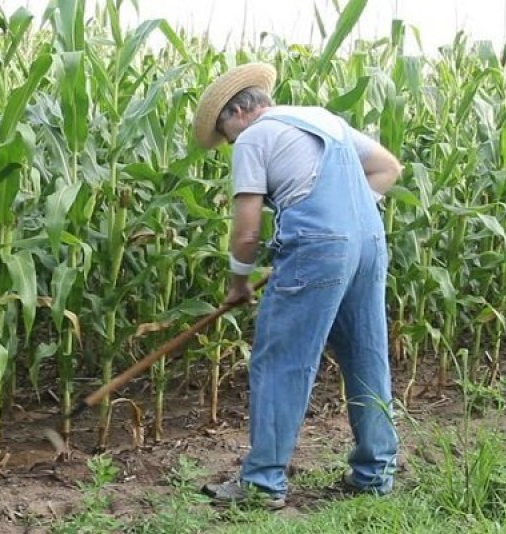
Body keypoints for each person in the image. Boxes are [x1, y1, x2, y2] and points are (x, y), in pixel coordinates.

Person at [193, 63, 402, 510]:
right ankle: (375, 474)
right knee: (366, 356)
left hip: (317, 248)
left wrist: (239, 281)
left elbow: (247, 231)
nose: (229, 144)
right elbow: (388, 168)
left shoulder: (254, 137)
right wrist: (342, 226)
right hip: (369, 243)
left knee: (282, 360)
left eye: (225, 134)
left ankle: (262, 484)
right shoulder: (323, 119)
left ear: (237, 113)